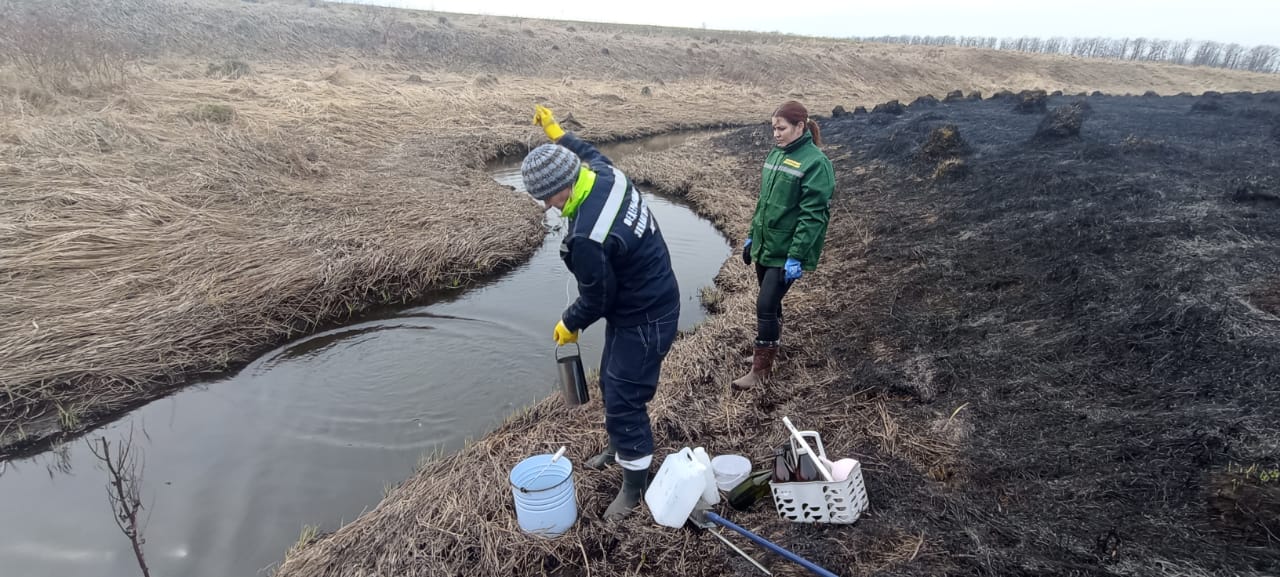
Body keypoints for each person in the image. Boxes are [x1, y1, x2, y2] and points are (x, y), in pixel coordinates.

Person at [520, 105, 681, 520]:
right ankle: (618, 447)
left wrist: (568, 323)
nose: (548, 207)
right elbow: (584, 149)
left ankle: (634, 486)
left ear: (562, 187)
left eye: (547, 198)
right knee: (612, 379)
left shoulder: (588, 238)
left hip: (646, 316)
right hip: (648, 300)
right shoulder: (603, 174)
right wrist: (557, 132)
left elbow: (598, 299)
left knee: (626, 400)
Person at [733, 101, 835, 390]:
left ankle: (761, 371)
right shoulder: (776, 155)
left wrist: (796, 256)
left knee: (765, 305)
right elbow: (764, 203)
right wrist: (753, 235)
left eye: (781, 128)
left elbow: (813, 216)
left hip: (786, 251)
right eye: (773, 128)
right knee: (772, 304)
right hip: (767, 245)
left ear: (800, 127)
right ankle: (767, 351)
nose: (776, 134)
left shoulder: (816, 163)